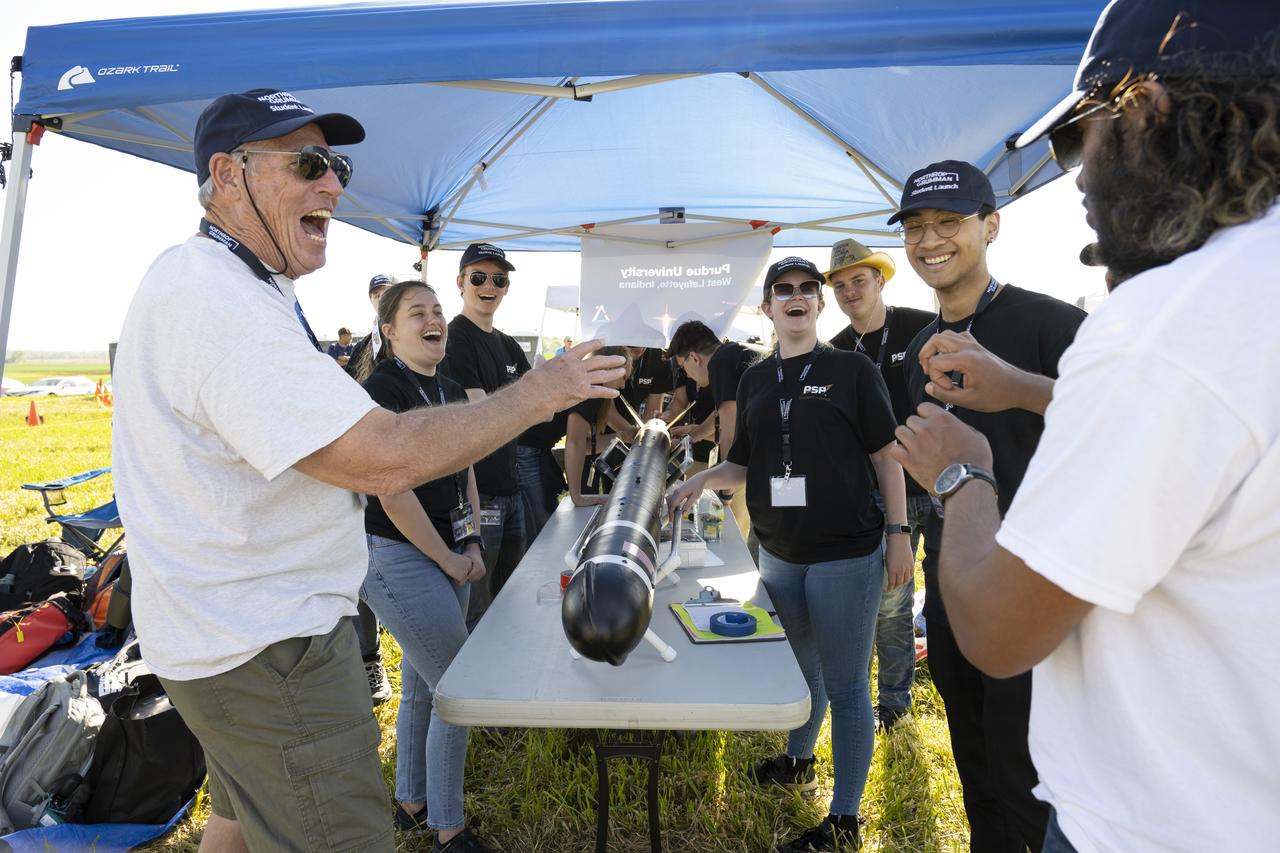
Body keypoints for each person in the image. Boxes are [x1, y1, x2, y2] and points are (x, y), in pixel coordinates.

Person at [111, 88, 625, 853]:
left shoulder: (220, 281)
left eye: (338, 165)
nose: (334, 185)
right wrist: (541, 392)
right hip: (269, 654)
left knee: (237, 824)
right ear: (226, 174)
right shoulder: (220, 303)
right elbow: (382, 455)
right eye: (310, 164)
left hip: (219, 640)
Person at [892, 3, 1280, 851]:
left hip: (1152, 822)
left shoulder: (1164, 323)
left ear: (1144, 114)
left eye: (1080, 138)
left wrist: (963, 474)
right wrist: (1030, 390)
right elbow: (1197, 439)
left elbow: (998, 630)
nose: (1075, 177)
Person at [669, 257, 913, 853]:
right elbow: (744, 465)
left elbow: (888, 455)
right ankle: (800, 758)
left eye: (808, 289)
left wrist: (900, 532)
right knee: (804, 668)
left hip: (846, 553)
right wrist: (696, 483)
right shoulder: (754, 378)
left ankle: (846, 820)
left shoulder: (851, 369)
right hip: (779, 552)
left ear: (819, 305)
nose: (797, 298)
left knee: (848, 681)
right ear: (768, 307)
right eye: (784, 291)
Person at [890, 160, 1086, 852]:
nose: (930, 239)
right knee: (972, 758)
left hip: (1034, 583)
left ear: (991, 226)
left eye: (949, 222)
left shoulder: (1055, 324)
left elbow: (1121, 423)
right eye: (915, 227)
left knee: (1024, 769)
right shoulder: (916, 349)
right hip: (950, 575)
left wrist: (1020, 386)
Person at [358, 280, 491, 852]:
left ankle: (412, 801)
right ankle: (448, 829)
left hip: (451, 553)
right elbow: (390, 490)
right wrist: (446, 558)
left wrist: (474, 543)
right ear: (390, 331)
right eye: (418, 313)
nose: (434, 320)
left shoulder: (451, 388)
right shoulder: (381, 388)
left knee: (421, 688)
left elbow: (466, 471)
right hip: (399, 557)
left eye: (438, 310)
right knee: (457, 690)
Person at [825, 238, 938, 730]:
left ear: (880, 281)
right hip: (881, 496)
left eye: (859, 281)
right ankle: (893, 702)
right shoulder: (832, 350)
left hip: (939, 486)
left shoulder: (921, 327)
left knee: (951, 592)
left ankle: (954, 682)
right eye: (841, 285)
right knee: (890, 603)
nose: (851, 292)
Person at [440, 242, 531, 626]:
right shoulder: (454, 338)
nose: (488, 285)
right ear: (460, 282)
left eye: (499, 278)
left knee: (513, 598)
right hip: (479, 495)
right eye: (478, 277)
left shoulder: (508, 344)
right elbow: (483, 411)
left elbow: (541, 409)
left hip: (512, 490)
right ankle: (470, 684)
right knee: (476, 609)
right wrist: (529, 403)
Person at [666, 320, 767, 547]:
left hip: (766, 462)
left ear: (694, 357)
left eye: (683, 367)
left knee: (735, 539)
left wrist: (726, 489)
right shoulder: (735, 355)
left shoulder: (720, 362)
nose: (688, 376)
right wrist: (696, 433)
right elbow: (724, 414)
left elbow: (730, 428)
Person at [565, 347, 634, 506]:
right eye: (623, 377)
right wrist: (578, 497)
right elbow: (574, 444)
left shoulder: (597, 393)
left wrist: (623, 436)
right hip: (529, 452)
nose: (623, 385)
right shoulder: (586, 390)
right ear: (609, 369)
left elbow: (587, 447)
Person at [347, 272, 393, 379]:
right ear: (371, 300)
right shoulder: (361, 348)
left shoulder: (415, 338)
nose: (382, 299)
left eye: (387, 294)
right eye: (377, 295)